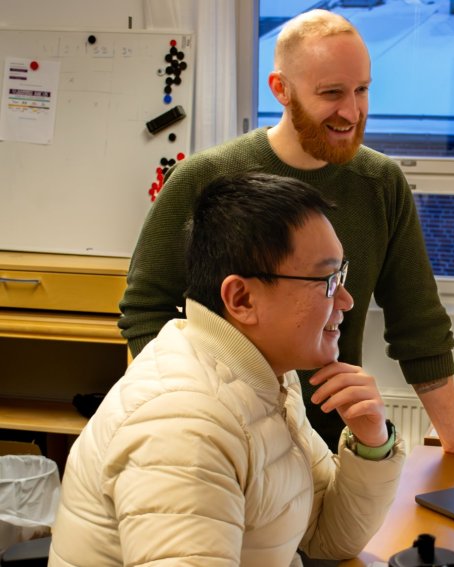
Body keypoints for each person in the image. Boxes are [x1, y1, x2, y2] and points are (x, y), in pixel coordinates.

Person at [118, 8, 454, 457]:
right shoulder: (205, 178)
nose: (352, 111)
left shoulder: (380, 183)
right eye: (331, 93)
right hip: (225, 440)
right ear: (281, 89)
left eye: (362, 90)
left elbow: (416, 319)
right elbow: (145, 307)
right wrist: (197, 403)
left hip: (333, 447)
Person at [49, 173, 405, 566]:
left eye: (342, 274)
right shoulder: (183, 426)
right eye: (327, 280)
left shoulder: (264, 376)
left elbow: (327, 537)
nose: (346, 300)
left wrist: (371, 444)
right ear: (241, 299)